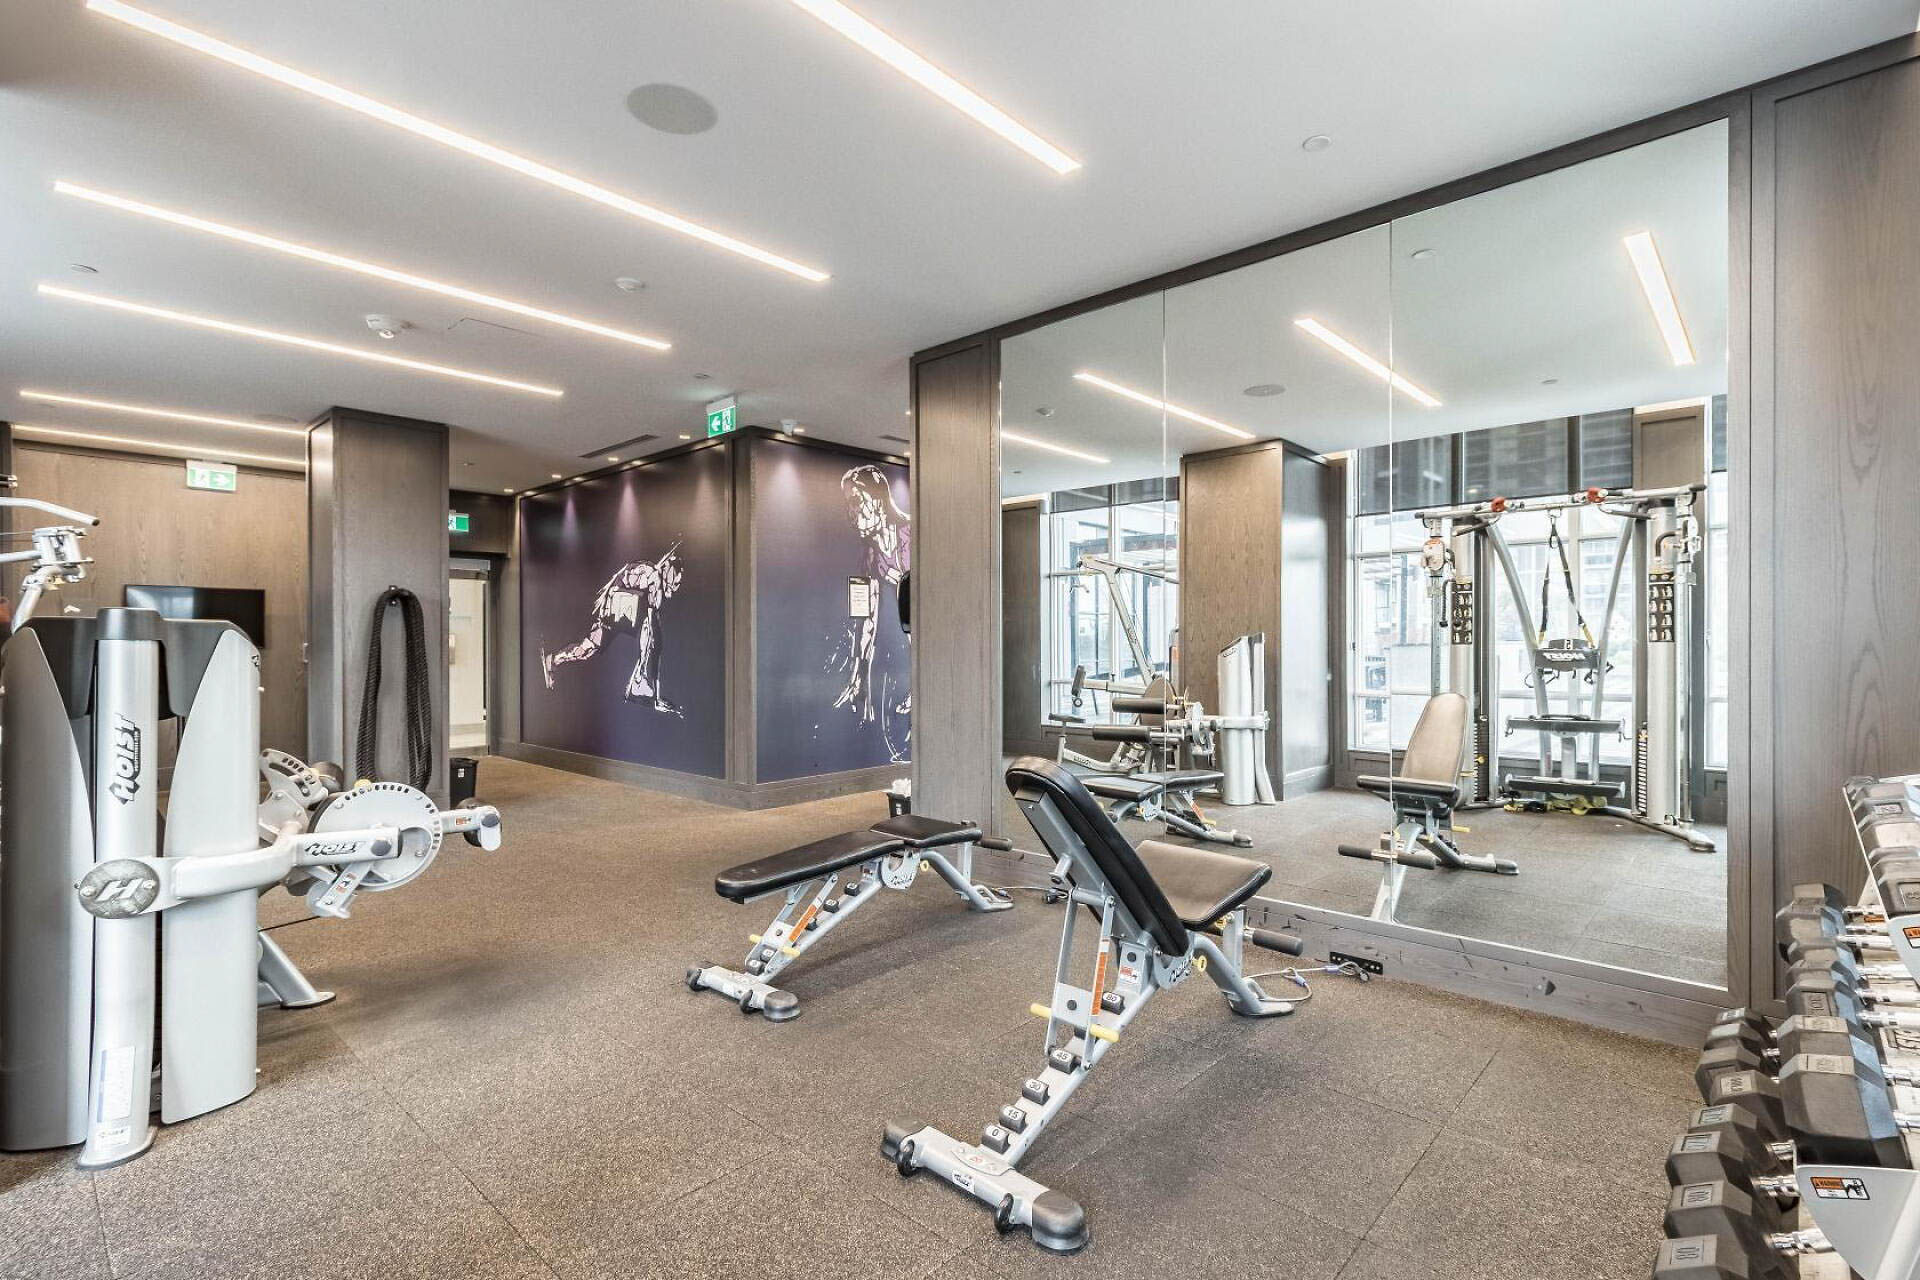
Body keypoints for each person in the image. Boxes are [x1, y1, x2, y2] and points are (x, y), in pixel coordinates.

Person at [541, 543, 684, 716]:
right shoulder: (654, 579)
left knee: (587, 649)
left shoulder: (654, 581)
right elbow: (654, 635)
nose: (676, 584)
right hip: (618, 605)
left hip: (616, 606)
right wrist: (656, 696)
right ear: (668, 570)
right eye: (675, 578)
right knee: (649, 627)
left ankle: (553, 660)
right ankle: (638, 679)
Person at [833, 466, 909, 725]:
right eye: (848, 505)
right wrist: (858, 677)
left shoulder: (911, 534)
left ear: (878, 499)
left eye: (856, 501)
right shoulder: (871, 555)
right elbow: (866, 618)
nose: (852, 514)